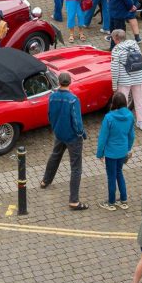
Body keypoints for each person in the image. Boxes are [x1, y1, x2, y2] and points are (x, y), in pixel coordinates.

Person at [40, 71, 88, 210]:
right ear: (70, 82)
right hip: (72, 137)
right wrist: (81, 134)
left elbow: (50, 115)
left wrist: (55, 128)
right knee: (76, 167)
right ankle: (74, 200)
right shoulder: (73, 99)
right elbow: (77, 122)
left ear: (59, 82)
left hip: (59, 134)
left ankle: (45, 181)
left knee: (55, 156)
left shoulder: (52, 97)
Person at [96, 91, 135, 211]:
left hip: (111, 153)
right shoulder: (129, 115)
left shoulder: (109, 118)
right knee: (119, 173)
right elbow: (131, 135)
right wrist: (128, 148)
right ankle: (123, 200)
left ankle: (111, 202)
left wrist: (100, 153)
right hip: (122, 151)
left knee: (111, 177)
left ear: (114, 103)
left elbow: (103, 138)